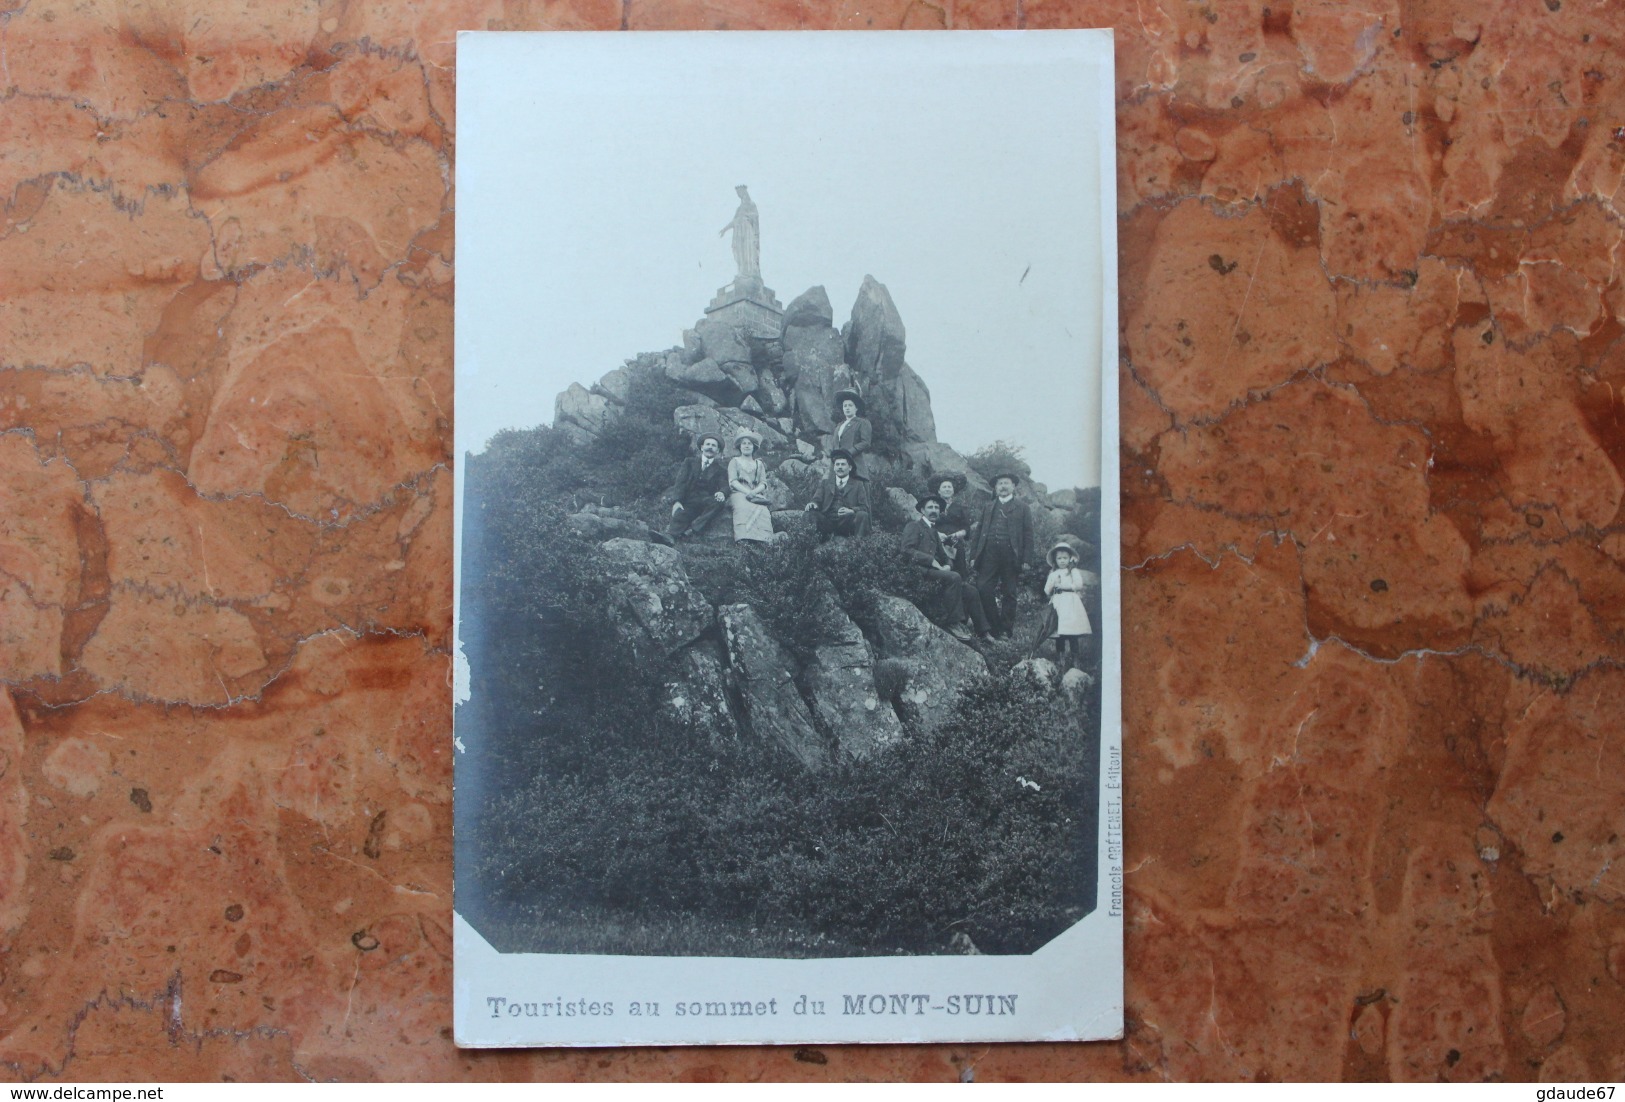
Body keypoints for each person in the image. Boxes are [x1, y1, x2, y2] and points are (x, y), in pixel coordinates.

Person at [902, 495, 993, 641]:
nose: (934, 511)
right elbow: (907, 550)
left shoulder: (933, 532)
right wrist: (932, 561)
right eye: (930, 507)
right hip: (918, 571)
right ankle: (953, 623)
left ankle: (983, 631)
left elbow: (945, 557)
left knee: (970, 590)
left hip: (933, 573)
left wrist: (947, 565)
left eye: (937, 508)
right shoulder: (914, 526)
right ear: (922, 511)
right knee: (955, 578)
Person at [970, 472, 1033, 636]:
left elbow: (1028, 534)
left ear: (1013, 486)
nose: (1003, 486)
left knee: (1010, 593)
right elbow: (979, 532)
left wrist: (1026, 559)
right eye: (1000, 484)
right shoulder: (988, 506)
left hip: (1011, 556)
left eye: (1006, 483)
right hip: (989, 554)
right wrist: (973, 556)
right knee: (983, 588)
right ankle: (993, 626)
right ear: (995, 488)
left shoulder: (1023, 508)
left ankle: (1006, 629)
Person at [667, 433, 729, 540]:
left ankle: (693, 529)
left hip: (707, 500)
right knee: (681, 514)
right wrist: (677, 501)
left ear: (718, 451)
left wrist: (722, 493)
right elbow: (680, 482)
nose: (710, 447)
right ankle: (669, 536)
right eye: (708, 444)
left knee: (719, 503)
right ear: (702, 447)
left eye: (714, 446)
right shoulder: (689, 462)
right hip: (689, 498)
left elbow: (725, 485)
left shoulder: (720, 469)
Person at [1043, 540, 1093, 671]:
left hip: (1071, 603)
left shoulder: (1073, 572)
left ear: (1070, 558)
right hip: (1058, 603)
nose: (1062, 561)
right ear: (1055, 559)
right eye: (1059, 558)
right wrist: (1052, 584)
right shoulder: (1053, 573)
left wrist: (1064, 586)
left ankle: (1075, 659)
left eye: (1065, 558)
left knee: (1072, 632)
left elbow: (1078, 585)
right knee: (1059, 632)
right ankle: (1061, 659)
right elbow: (1046, 590)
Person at [804, 449, 871, 540]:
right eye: (837, 464)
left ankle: (859, 546)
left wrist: (851, 510)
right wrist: (813, 504)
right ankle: (811, 545)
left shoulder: (858, 484)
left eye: (843, 464)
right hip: (827, 522)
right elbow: (817, 500)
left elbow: (865, 507)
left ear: (850, 467)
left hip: (846, 523)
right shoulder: (825, 483)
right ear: (834, 467)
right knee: (809, 514)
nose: (840, 467)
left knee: (862, 515)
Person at [727, 430, 774, 546]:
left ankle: (764, 540)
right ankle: (744, 539)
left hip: (756, 493)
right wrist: (747, 492)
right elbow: (733, 481)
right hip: (739, 492)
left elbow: (763, 483)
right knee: (743, 507)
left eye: (749, 443)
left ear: (754, 447)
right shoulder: (734, 461)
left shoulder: (759, 464)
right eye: (744, 443)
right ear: (740, 446)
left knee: (763, 511)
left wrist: (754, 492)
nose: (747, 446)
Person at [933, 474, 975, 577]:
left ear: (953, 491)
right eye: (944, 487)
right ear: (939, 491)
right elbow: (927, 523)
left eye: (949, 487)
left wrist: (959, 533)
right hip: (937, 543)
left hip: (955, 544)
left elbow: (966, 527)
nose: (947, 489)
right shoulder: (933, 505)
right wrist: (937, 534)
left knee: (959, 573)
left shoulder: (959, 508)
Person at [719, 185, 760, 280]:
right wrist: (725, 229)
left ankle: (749, 272)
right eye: (738, 194)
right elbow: (734, 221)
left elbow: (755, 217)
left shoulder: (751, 204)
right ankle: (742, 271)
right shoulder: (739, 208)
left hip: (747, 232)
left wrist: (745, 218)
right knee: (739, 251)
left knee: (748, 251)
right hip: (738, 233)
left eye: (740, 193)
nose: (739, 195)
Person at [830, 391, 873, 478]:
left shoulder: (862, 422)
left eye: (850, 405)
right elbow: (835, 445)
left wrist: (849, 453)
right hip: (838, 468)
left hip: (855, 465)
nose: (847, 408)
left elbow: (866, 442)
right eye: (845, 406)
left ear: (856, 408)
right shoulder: (839, 426)